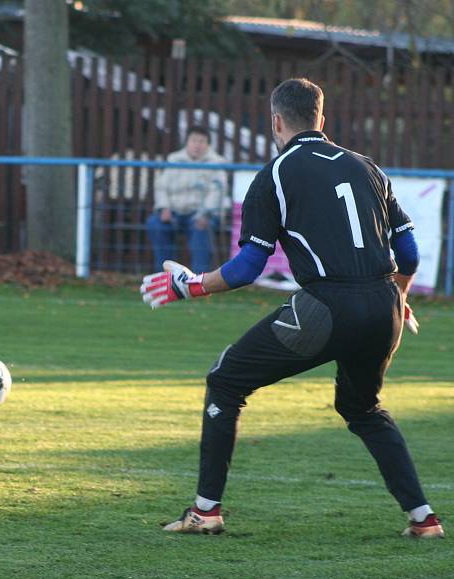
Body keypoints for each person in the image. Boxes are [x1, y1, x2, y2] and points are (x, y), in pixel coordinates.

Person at [140, 78, 443, 539]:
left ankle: (205, 512)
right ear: (322, 119)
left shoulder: (276, 174)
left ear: (276, 121)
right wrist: (399, 295)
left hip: (325, 307)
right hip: (385, 306)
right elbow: (410, 251)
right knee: (364, 409)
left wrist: (191, 286)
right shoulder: (367, 167)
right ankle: (424, 519)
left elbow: (245, 269)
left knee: (225, 381)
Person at [145, 126, 228, 273]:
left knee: (201, 230)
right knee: (155, 223)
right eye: (194, 140)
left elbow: (218, 192)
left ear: (208, 144)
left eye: (202, 141)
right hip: (174, 212)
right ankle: (166, 275)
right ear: (187, 143)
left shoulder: (217, 162)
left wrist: (204, 214)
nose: (197, 145)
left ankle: (199, 280)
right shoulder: (173, 159)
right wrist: (164, 208)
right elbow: (161, 187)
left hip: (201, 214)